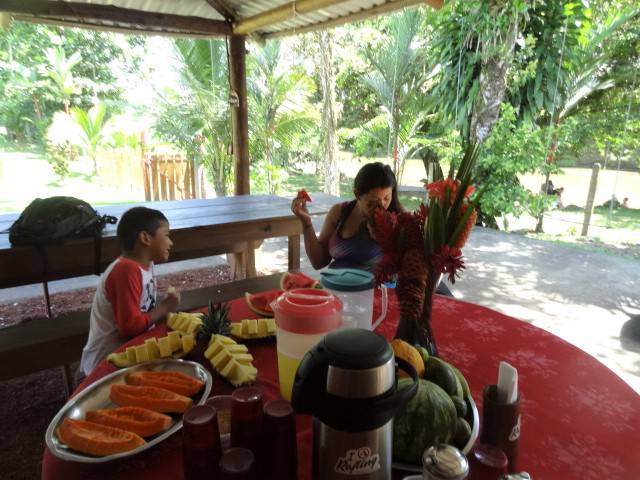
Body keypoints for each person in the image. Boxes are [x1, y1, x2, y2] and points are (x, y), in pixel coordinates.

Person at [78, 207, 181, 379]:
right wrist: (164, 307)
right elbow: (129, 328)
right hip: (106, 364)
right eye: (167, 235)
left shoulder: (146, 264)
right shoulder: (126, 270)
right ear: (145, 238)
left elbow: (142, 310)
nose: (171, 243)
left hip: (131, 353)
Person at [291, 162, 403, 273]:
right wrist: (307, 223)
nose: (381, 205)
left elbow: (405, 266)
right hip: (335, 286)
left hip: (375, 289)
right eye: (372, 202)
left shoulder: (398, 219)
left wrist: (386, 240)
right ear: (357, 194)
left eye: (387, 198)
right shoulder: (339, 212)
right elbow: (318, 262)